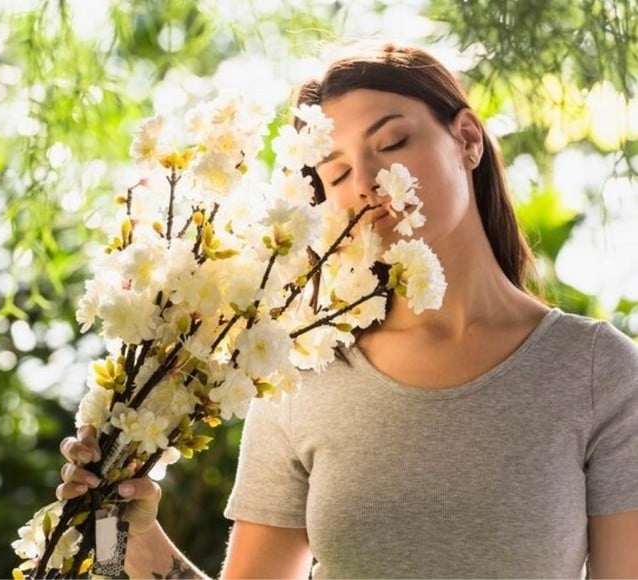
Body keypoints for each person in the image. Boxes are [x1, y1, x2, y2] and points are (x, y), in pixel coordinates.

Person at [58, 43, 638, 578]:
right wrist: (112, 523)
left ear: (467, 139)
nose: (366, 181)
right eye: (335, 172)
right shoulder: (300, 374)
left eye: (392, 144)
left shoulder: (595, 371)